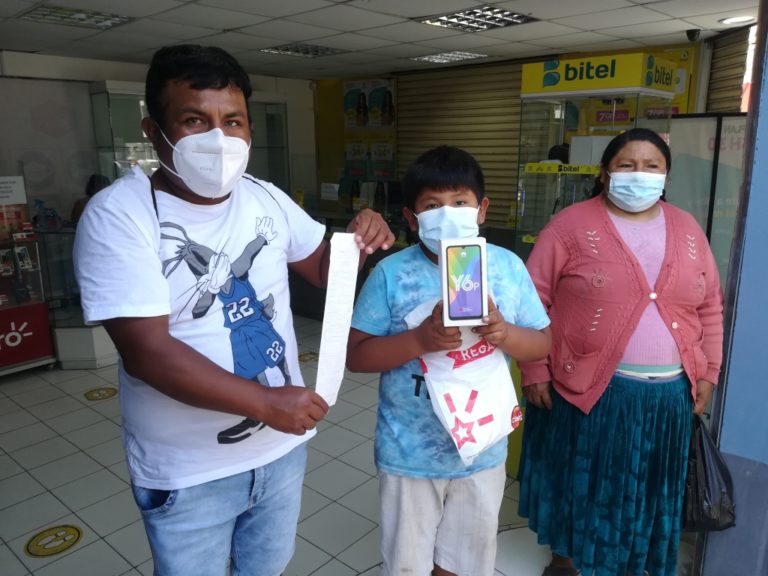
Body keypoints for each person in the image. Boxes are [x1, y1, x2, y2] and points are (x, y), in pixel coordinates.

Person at [73, 44, 393, 576]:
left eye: (233, 121)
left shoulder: (261, 196)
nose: (218, 140)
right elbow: (147, 353)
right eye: (195, 120)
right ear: (156, 132)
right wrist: (267, 404)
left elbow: (322, 268)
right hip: (190, 470)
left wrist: (360, 238)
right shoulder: (120, 216)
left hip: (280, 452)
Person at [517, 128, 724, 576]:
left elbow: (710, 306)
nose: (639, 175)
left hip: (668, 397)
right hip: (586, 392)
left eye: (652, 166)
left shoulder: (687, 229)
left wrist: (708, 371)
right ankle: (568, 561)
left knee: (648, 491)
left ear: (666, 175)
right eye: (627, 165)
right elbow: (530, 300)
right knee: (581, 484)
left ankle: (632, 563)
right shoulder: (570, 225)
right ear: (605, 172)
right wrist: (534, 369)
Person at [347, 146, 551, 576]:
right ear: (410, 217)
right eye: (432, 205)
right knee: (408, 563)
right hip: (409, 452)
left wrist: (505, 333)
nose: (448, 213)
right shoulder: (390, 273)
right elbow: (357, 356)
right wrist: (421, 339)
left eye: (460, 202)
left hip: (483, 448)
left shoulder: (507, 268)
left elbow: (542, 343)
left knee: (465, 562)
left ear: (482, 210)